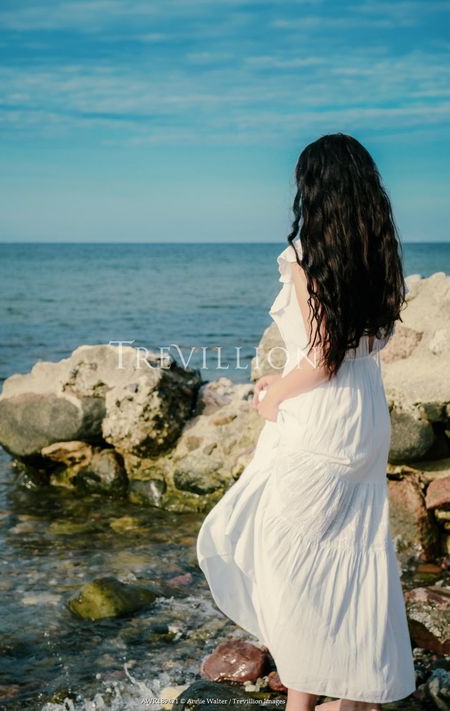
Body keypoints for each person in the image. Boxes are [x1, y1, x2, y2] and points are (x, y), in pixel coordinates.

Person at [196, 133, 416, 711]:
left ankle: (306, 701)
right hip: (365, 413)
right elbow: (357, 346)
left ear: (313, 190)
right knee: (351, 552)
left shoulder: (306, 255)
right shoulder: (381, 253)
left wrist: (274, 397)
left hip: (321, 418)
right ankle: (352, 694)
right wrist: (284, 380)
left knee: (286, 558)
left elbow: (322, 357)